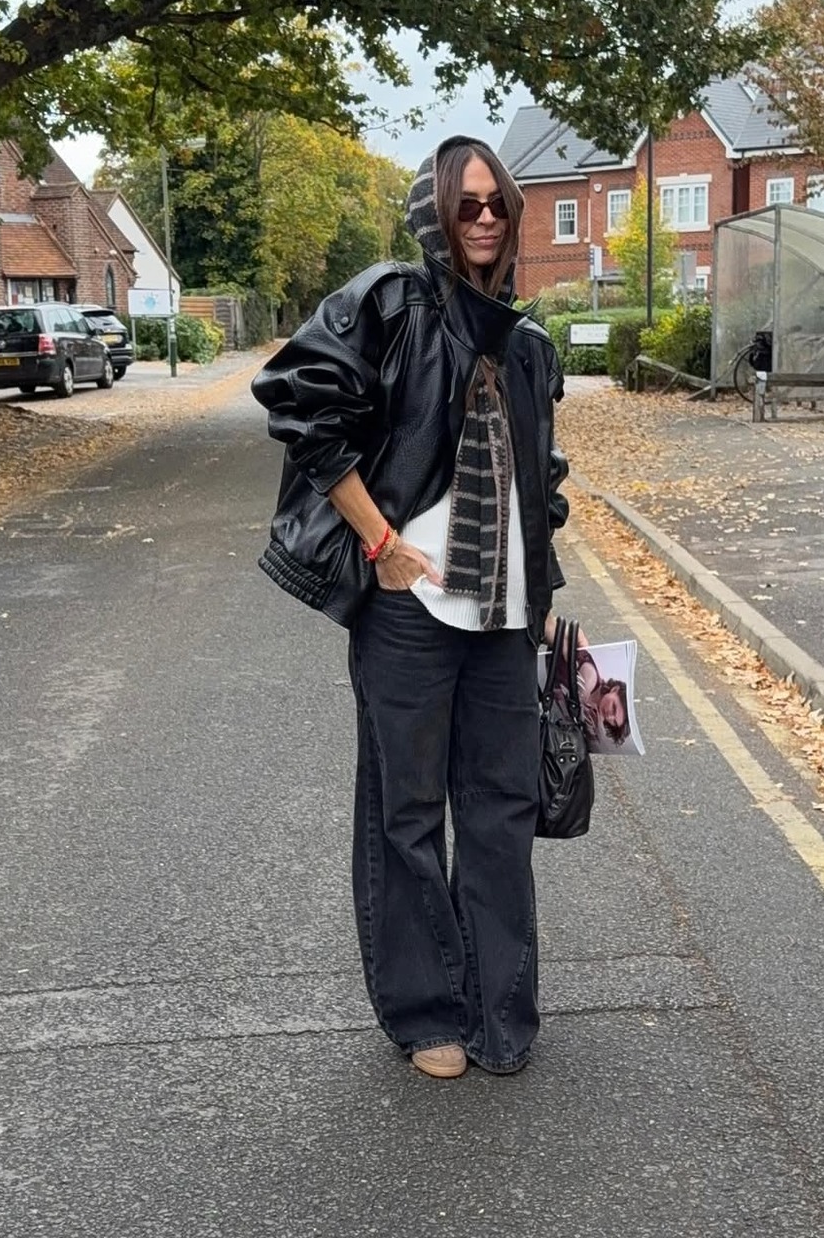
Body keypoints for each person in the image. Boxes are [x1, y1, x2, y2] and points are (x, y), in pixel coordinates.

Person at [251, 135, 570, 1079]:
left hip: (504, 620)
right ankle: (427, 1012)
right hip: (410, 614)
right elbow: (302, 407)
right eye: (466, 204)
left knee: (503, 813)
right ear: (435, 214)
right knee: (408, 813)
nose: (485, 218)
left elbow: (539, 486)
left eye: (497, 203)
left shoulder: (529, 345)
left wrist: (544, 603)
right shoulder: (390, 303)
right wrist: (380, 544)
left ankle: (499, 1010)